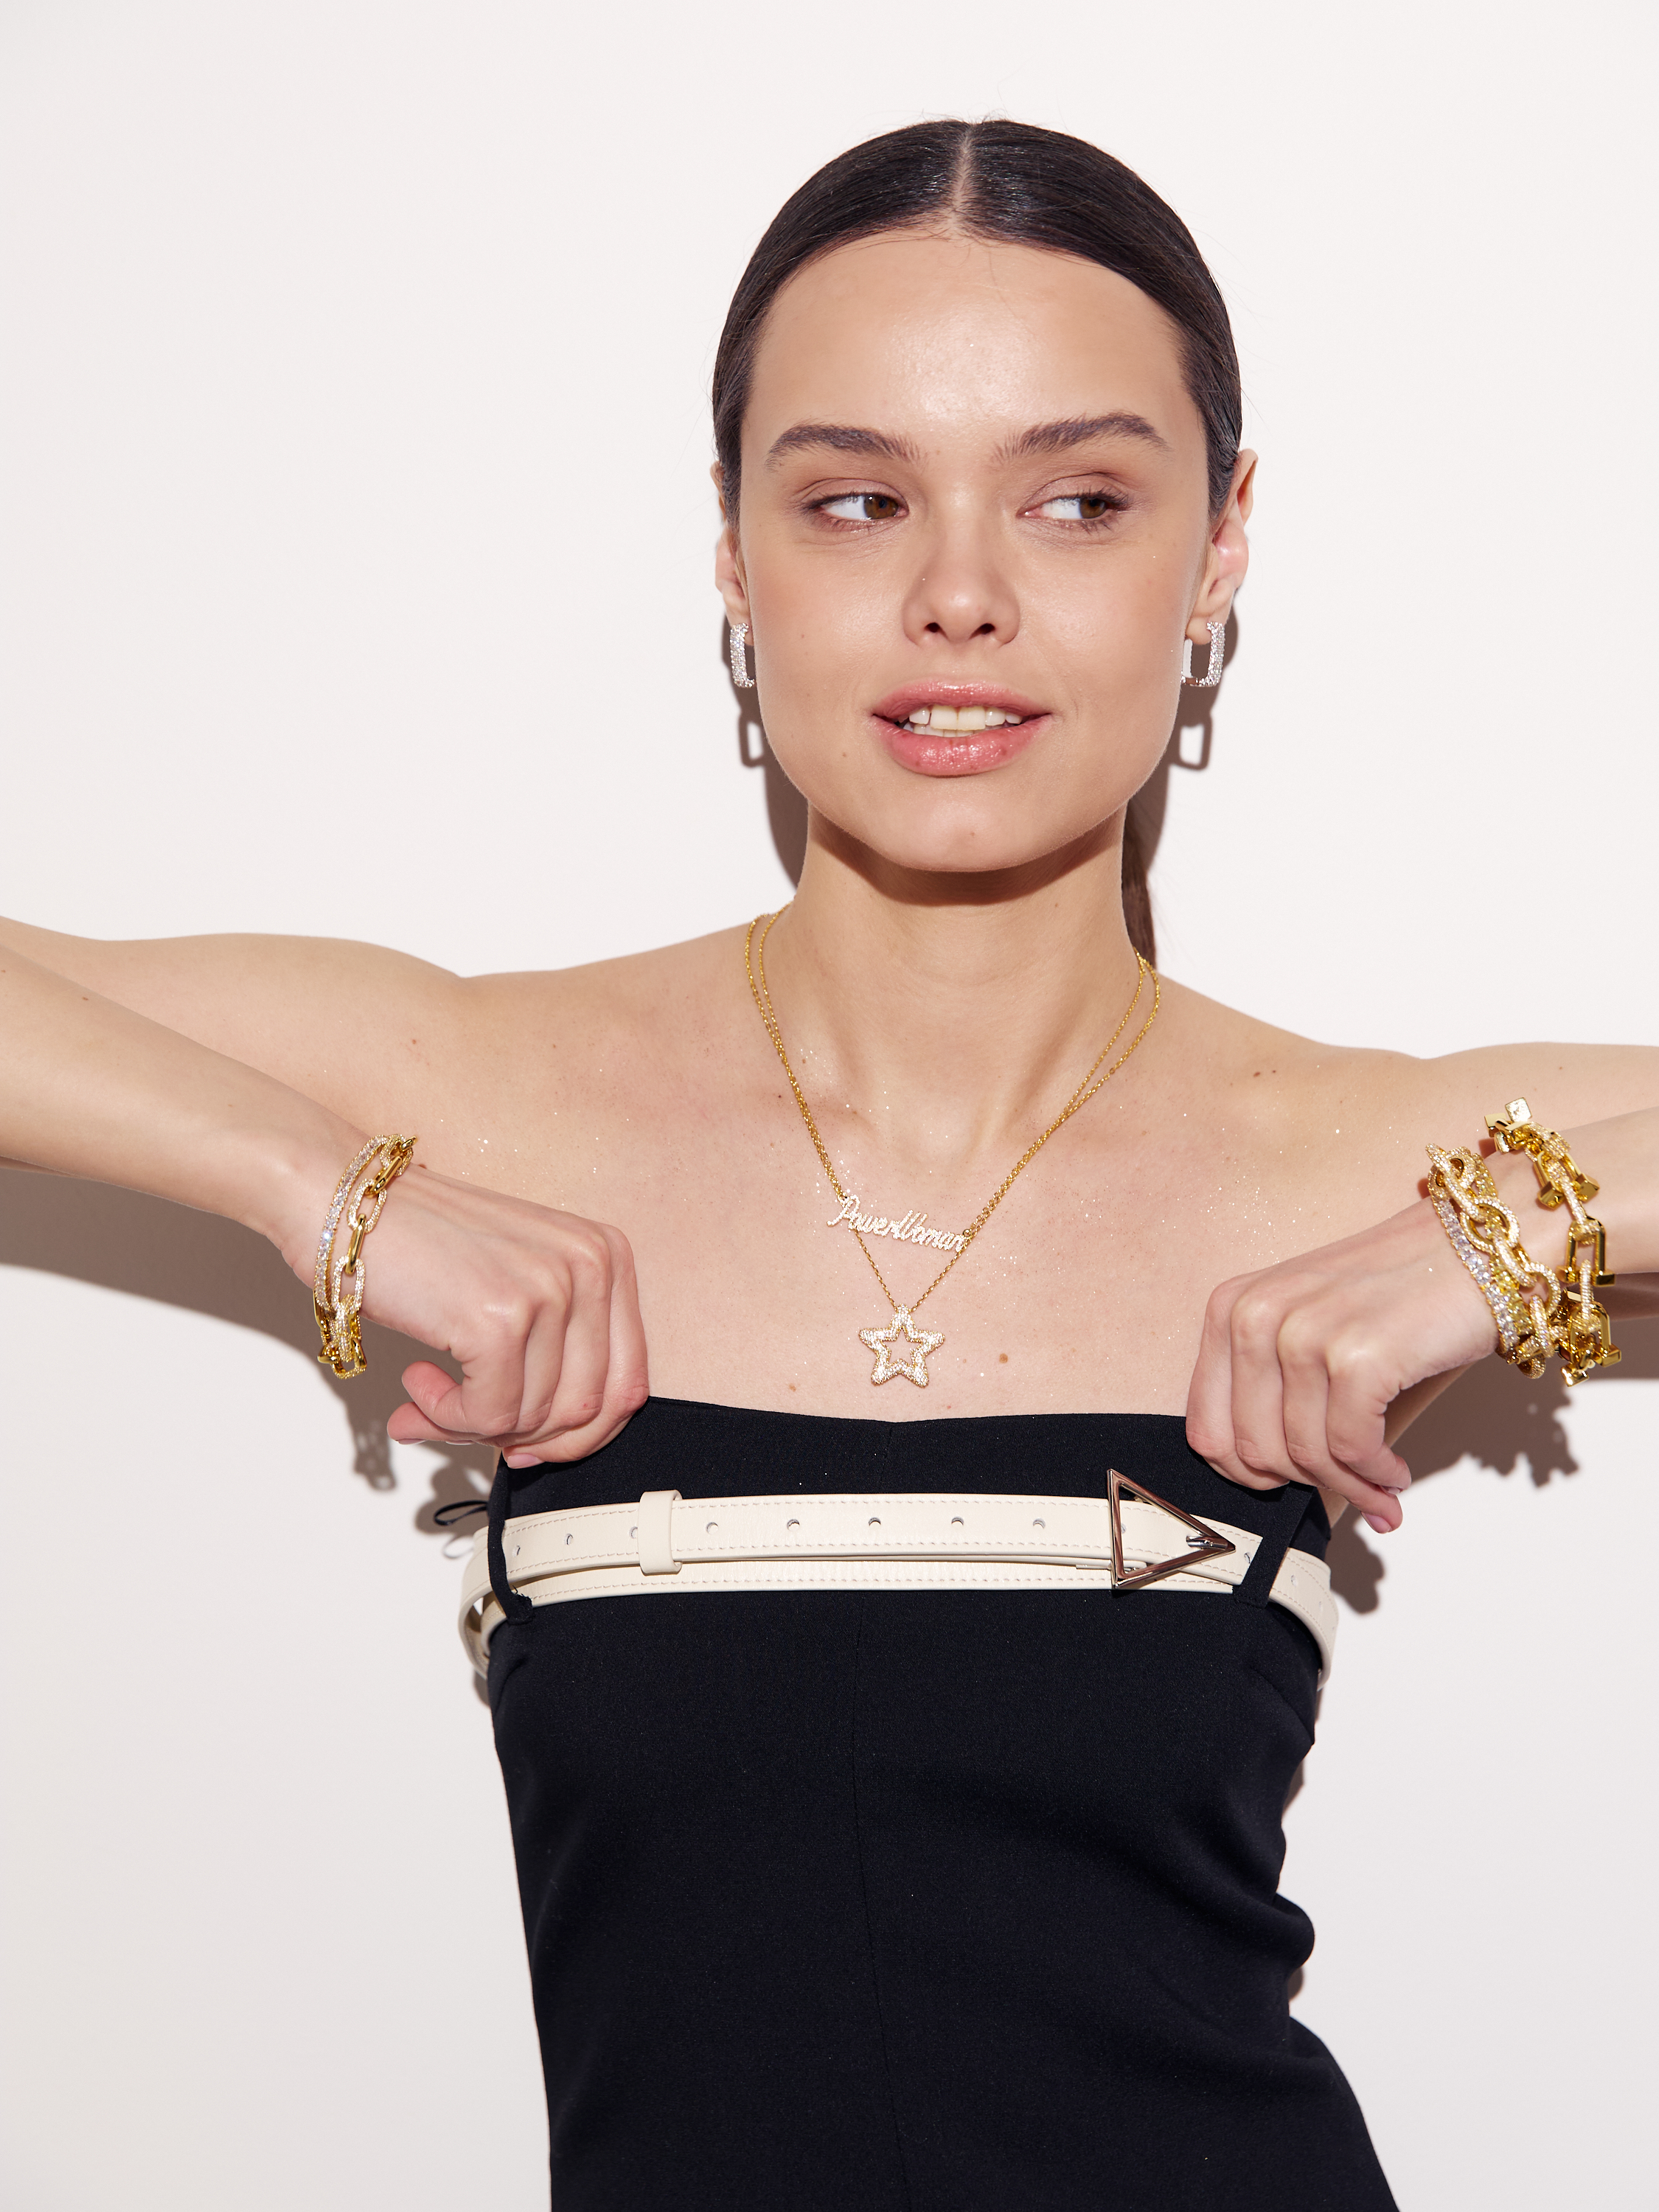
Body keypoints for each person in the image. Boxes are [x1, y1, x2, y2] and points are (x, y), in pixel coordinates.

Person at [3, 118, 1653, 2210]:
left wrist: (1512, 1227)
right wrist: (322, 1185)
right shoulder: (482, 1089)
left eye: (1078, 501)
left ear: (1221, 544)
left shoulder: (1363, 1157)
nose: (959, 596)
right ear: (731, 547)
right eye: (857, 500)